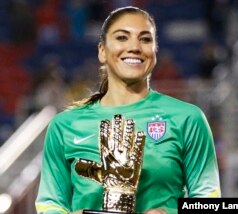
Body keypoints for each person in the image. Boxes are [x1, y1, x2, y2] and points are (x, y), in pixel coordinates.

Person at [35, 6, 221, 214]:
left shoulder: (188, 119)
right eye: (122, 37)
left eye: (145, 39)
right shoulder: (65, 126)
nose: (134, 47)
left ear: (155, 51)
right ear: (102, 51)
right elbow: (49, 204)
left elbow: (211, 201)